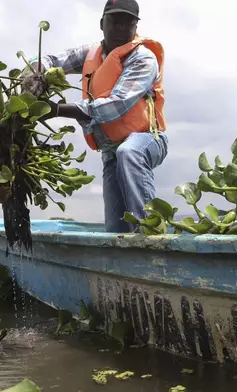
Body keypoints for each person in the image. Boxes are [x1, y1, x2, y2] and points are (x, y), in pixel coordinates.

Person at [22, 0, 168, 233]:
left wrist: (57, 110)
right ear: (102, 23)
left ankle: (152, 237)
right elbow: (53, 60)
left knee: (129, 152)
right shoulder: (92, 53)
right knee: (115, 229)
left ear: (135, 27)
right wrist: (35, 72)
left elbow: (115, 106)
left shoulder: (143, 58)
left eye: (128, 24)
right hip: (111, 150)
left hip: (148, 140)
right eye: (115, 22)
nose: (121, 29)